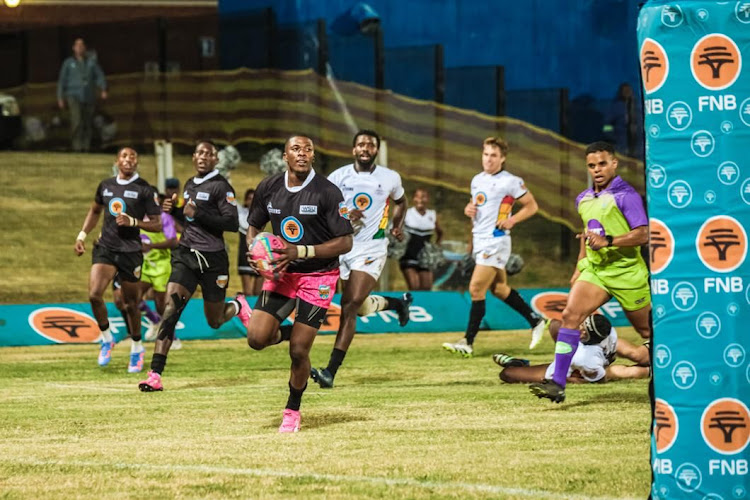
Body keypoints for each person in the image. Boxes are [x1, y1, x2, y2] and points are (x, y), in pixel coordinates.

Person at [236, 134, 353, 432]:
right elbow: (253, 228)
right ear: (285, 156)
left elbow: (345, 241)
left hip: (319, 277)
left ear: (313, 156)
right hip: (283, 273)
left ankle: (292, 409)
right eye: (295, 149)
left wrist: (300, 251)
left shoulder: (327, 192)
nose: (302, 154)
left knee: (299, 351)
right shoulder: (269, 187)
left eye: (308, 149)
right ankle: (282, 327)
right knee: (257, 339)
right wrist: (255, 251)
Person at [529, 141, 650, 403]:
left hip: (628, 273)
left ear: (614, 164)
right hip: (595, 271)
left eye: (602, 164)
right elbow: (588, 235)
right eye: (592, 165)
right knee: (569, 316)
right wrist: (579, 265)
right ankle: (557, 382)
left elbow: (643, 234)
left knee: (649, 334)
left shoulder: (625, 195)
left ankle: (666, 371)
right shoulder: (583, 199)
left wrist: (609, 241)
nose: (597, 169)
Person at [309, 130, 413, 390]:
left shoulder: (390, 177)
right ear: (353, 149)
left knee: (350, 304)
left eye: (370, 144)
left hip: (373, 247)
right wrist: (344, 214)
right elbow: (324, 208)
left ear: (376, 150)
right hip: (343, 247)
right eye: (361, 144)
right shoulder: (338, 176)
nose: (365, 148)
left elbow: (401, 202)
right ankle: (396, 303)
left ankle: (330, 372)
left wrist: (397, 226)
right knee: (360, 307)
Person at [138, 141, 241, 392]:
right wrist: (174, 211)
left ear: (216, 160)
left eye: (209, 153)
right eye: (199, 153)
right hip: (186, 256)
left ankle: (238, 305)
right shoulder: (190, 184)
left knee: (214, 321)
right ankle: (155, 374)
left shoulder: (222, 187)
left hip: (213, 260)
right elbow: (189, 219)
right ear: (194, 158)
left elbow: (231, 222)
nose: (204, 156)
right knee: (171, 309)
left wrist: (197, 214)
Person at [442, 136, 546, 358]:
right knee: (498, 289)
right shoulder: (476, 180)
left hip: (496, 240)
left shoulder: (511, 181)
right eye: (486, 154)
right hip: (481, 240)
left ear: (503, 158)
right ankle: (536, 320)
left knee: (476, 289)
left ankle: (467, 342)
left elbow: (532, 206)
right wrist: (469, 209)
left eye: (494, 155)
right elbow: (478, 207)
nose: (488, 159)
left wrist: (512, 220)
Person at [73, 147, 161, 372]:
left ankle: (137, 348)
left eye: (133, 156)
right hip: (106, 248)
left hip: (131, 251)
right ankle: (106, 338)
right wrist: (82, 235)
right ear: (117, 161)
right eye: (124, 156)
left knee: (131, 303)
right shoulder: (106, 185)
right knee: (94, 295)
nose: (128, 160)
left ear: (137, 162)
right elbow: (94, 211)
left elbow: (158, 223)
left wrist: (134, 222)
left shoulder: (144, 189)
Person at [496, 315, 650, 384]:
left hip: (582, 366)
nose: (580, 330)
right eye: (582, 326)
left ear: (592, 340)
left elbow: (599, 380)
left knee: (507, 374)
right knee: (638, 354)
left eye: (584, 332)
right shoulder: (605, 331)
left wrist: (570, 380)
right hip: (593, 356)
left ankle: (657, 367)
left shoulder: (585, 358)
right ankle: (522, 364)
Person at [139, 191, 180, 346]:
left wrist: (150, 246)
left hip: (162, 266)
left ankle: (172, 337)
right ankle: (154, 320)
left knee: (161, 305)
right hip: (144, 266)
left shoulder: (164, 218)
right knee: (130, 298)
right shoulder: (137, 218)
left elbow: (173, 242)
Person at [57, 38, 107, 152]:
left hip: (88, 96)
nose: (80, 48)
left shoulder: (91, 63)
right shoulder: (68, 63)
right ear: (73, 48)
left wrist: (103, 89)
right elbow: (62, 80)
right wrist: (60, 97)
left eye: (82, 45)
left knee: (87, 121)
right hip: (73, 95)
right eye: (77, 45)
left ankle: (86, 147)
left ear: (85, 48)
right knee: (77, 120)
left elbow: (99, 76)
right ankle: (77, 147)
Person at [399, 188, 444, 290]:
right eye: (418, 197)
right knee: (414, 287)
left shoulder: (432, 215)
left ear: (427, 199)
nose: (420, 200)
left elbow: (440, 233)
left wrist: (436, 247)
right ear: (414, 199)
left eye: (423, 197)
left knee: (426, 288)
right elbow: (396, 231)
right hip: (409, 255)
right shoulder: (407, 214)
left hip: (425, 257)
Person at [237, 188, 263, 296]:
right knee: (248, 292)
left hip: (261, 255)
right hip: (245, 254)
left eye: (254, 199)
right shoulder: (241, 215)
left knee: (258, 293)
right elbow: (231, 201)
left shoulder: (262, 214)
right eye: (249, 199)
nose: (251, 201)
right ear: (245, 200)